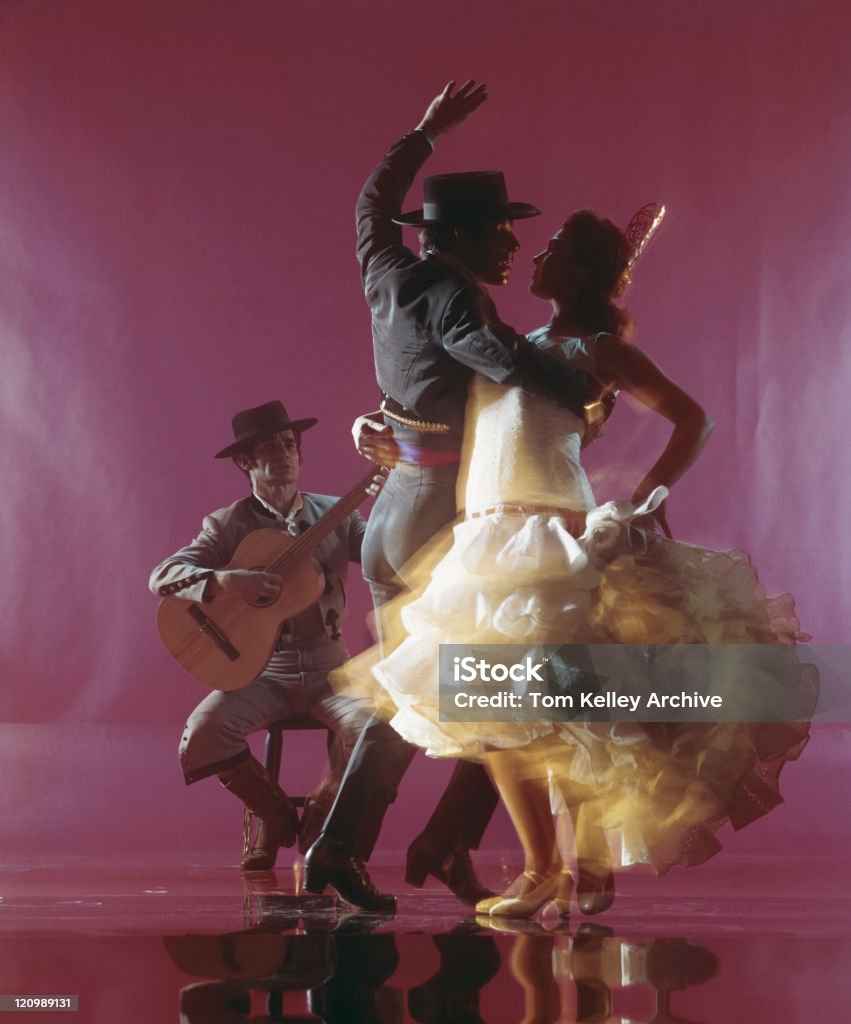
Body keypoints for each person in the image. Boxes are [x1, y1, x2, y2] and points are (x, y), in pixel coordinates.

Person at [361, 207, 818, 919]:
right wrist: (380, 428)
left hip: (549, 542)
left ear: (578, 271)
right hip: (482, 543)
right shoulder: (503, 342)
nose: (532, 254)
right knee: (494, 714)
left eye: (551, 248)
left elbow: (693, 417)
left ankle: (581, 863)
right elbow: (441, 412)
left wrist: (646, 494)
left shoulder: (596, 352)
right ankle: (547, 868)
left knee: (567, 713)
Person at [303, 82, 597, 912]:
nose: (512, 248)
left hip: (392, 511)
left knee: (448, 686)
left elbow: (371, 205)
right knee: (480, 687)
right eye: (501, 234)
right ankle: (373, 846)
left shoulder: (385, 268)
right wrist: (577, 384)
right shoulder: (459, 299)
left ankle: (415, 844)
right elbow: (501, 360)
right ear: (461, 238)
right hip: (432, 519)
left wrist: (424, 132)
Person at [150, 399, 375, 872]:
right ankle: (272, 813)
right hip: (263, 675)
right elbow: (164, 576)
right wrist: (223, 582)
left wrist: (398, 501)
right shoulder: (227, 524)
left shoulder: (337, 514)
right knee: (203, 734)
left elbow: (388, 554)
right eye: (270, 446)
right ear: (244, 461)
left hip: (333, 669)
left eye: (290, 444)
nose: (285, 453)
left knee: (375, 730)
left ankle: (320, 808)